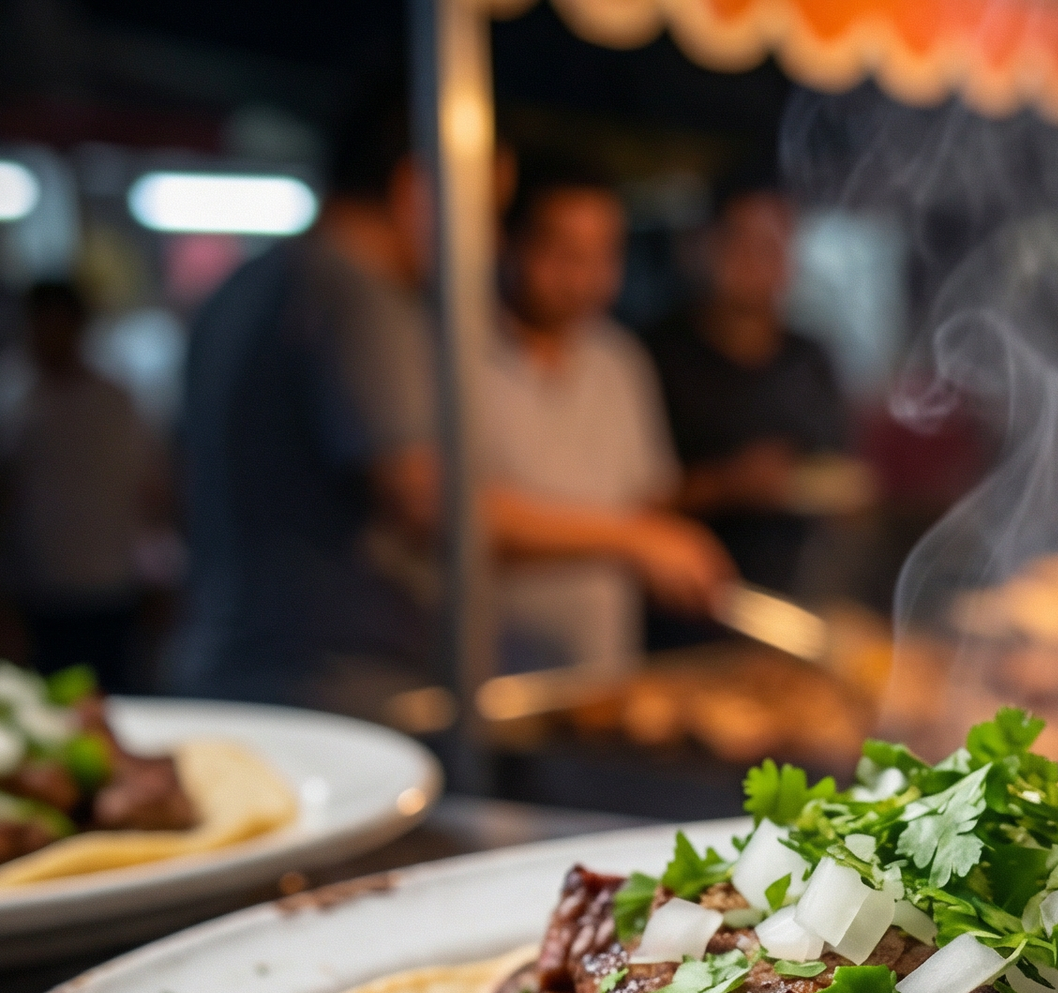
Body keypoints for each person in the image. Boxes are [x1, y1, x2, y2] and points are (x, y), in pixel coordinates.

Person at [171, 86, 728, 717]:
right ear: (417, 187)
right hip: (326, 688)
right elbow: (429, 502)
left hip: (249, 672)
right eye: (484, 211)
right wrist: (633, 537)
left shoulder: (253, 284)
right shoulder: (357, 295)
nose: (487, 244)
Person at [483, 160, 686, 673]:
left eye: (602, 257)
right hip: (485, 676)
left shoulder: (620, 360)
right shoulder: (452, 354)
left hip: (600, 671)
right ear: (509, 243)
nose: (584, 278)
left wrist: (667, 552)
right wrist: (633, 540)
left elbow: (648, 497)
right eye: (564, 254)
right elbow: (460, 518)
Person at [648, 182, 848, 596]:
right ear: (705, 246)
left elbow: (841, 470)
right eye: (744, 243)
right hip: (687, 597)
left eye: (775, 246)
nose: (759, 261)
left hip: (801, 585)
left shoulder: (810, 358)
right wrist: (728, 484)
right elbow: (630, 501)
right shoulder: (655, 356)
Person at [1, 281, 164, 691]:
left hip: (111, 586)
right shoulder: (17, 402)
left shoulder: (115, 401)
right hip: (38, 592)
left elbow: (151, 489)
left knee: (116, 704)